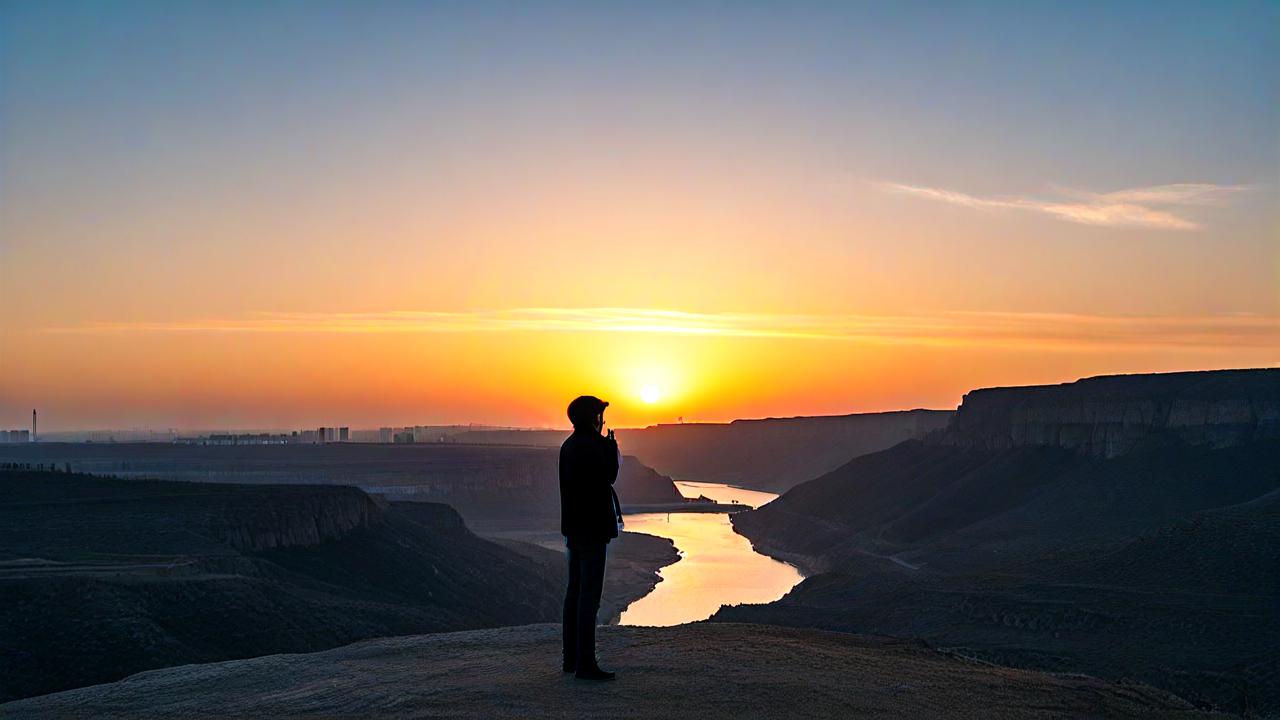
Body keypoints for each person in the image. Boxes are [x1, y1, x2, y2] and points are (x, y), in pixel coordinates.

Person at [559, 395, 623, 681]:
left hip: (574, 529)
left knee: (574, 593)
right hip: (593, 530)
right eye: (599, 417)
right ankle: (586, 664)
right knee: (589, 597)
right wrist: (611, 449)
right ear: (591, 418)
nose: (602, 422)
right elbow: (608, 477)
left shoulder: (568, 445)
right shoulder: (593, 446)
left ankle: (570, 659)